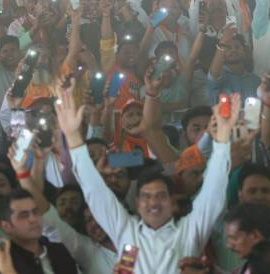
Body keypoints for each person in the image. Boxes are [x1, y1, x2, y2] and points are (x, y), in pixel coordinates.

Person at [57, 86, 236, 272]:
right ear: (137, 202)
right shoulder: (126, 230)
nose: (153, 202)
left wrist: (223, 141)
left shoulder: (190, 230)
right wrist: (72, 137)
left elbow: (213, 193)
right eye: (146, 196)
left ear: (171, 200)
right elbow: (95, 191)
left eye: (160, 195)